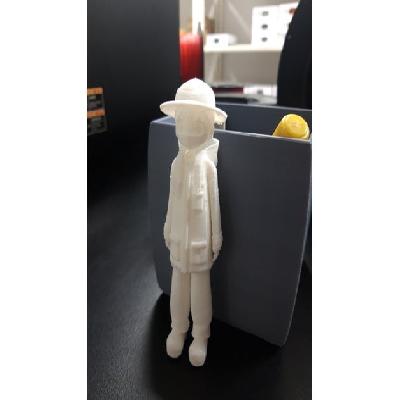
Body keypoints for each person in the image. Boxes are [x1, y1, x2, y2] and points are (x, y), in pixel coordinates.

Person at [160, 78, 226, 366]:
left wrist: (216, 236)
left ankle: (200, 335)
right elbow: (171, 201)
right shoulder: (176, 164)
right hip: (178, 239)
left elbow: (214, 204)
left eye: (194, 120)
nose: (187, 127)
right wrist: (167, 226)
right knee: (178, 287)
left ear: (208, 123)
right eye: (182, 120)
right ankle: (177, 328)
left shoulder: (207, 166)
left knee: (199, 290)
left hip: (199, 241)